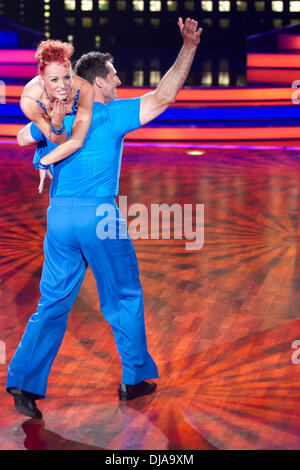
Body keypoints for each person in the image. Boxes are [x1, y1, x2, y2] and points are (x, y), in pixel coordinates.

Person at [6, 17, 202, 419]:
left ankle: (24, 381)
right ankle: (134, 378)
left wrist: (39, 134)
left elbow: (25, 137)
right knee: (123, 295)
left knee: (53, 302)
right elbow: (165, 96)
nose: (118, 84)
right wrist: (189, 47)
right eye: (113, 77)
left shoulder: (56, 113)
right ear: (96, 83)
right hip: (99, 216)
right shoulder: (111, 114)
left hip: (60, 220)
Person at [19, 38, 94, 188]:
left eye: (67, 77)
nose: (62, 85)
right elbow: (58, 139)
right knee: (22, 139)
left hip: (71, 120)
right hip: (49, 123)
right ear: (42, 80)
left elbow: (75, 142)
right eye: (54, 80)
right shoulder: (30, 101)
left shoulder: (84, 90)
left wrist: (46, 159)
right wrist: (57, 123)